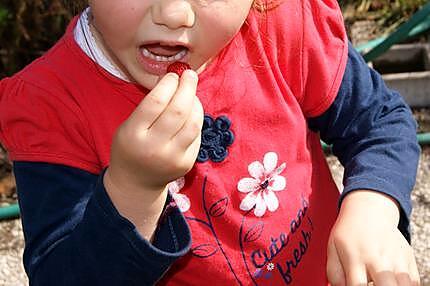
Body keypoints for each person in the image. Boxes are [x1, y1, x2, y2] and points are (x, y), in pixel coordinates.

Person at [0, 0, 421, 284]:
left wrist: (373, 211)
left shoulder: (278, 21)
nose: (173, 13)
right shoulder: (51, 106)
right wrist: (131, 191)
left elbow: (380, 121)